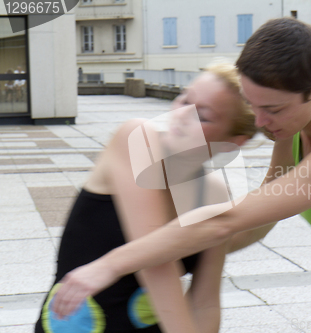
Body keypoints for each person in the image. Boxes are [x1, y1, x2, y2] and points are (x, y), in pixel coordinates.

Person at [53, 18, 311, 333]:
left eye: (272, 109)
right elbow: (258, 218)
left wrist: (106, 265)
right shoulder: (292, 131)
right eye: (253, 106)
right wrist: (195, 247)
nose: (262, 121)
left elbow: (226, 223)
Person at [35, 63, 258, 333]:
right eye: (185, 99)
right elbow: (155, 265)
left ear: (235, 140)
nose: (182, 114)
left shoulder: (213, 194)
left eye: (203, 116)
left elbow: (205, 302)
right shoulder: (137, 138)